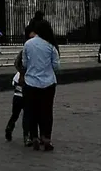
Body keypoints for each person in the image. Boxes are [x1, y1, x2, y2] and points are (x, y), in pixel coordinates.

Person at [20, 22, 60, 151]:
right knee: (47, 111)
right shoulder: (51, 46)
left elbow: (24, 64)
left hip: (31, 82)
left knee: (32, 111)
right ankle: (46, 137)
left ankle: (34, 137)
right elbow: (56, 66)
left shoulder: (28, 44)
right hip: (48, 83)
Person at [4, 69, 27, 143]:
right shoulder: (29, 73)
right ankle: (26, 136)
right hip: (26, 97)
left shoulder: (18, 74)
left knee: (15, 115)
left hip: (16, 97)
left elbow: (13, 83)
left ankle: (9, 127)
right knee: (26, 116)